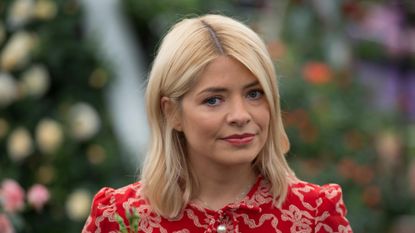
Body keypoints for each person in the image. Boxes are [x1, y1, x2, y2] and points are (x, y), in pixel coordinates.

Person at [82, 14, 353, 233]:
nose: (240, 115)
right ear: (172, 112)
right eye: (213, 100)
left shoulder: (314, 213)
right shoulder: (119, 217)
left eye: (254, 94)